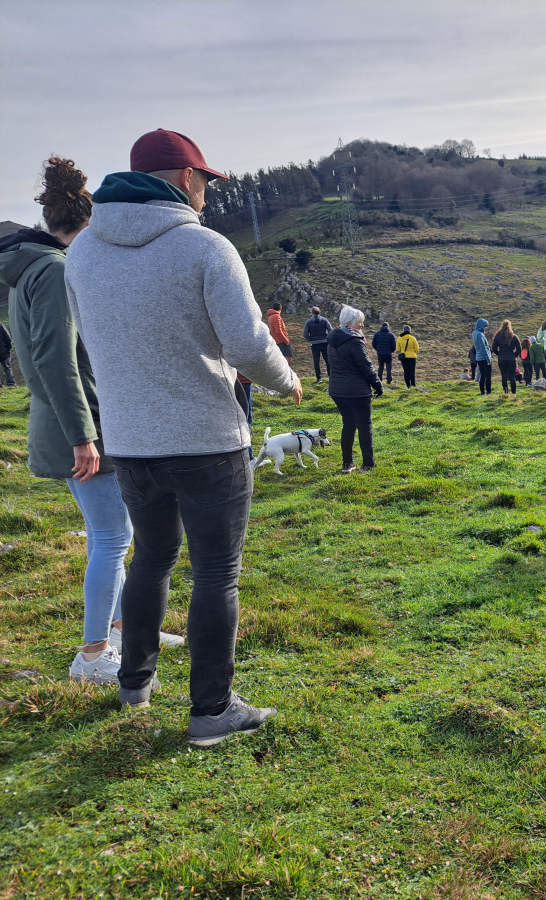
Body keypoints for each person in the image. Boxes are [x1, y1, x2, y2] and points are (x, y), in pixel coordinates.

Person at [65, 129, 301, 747]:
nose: (207, 195)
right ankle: (211, 711)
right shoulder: (205, 248)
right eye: (206, 182)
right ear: (187, 179)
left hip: (130, 442)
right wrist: (287, 384)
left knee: (151, 560)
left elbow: (90, 339)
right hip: (206, 439)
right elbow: (248, 344)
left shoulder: (84, 252)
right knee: (218, 572)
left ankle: (134, 683)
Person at [1, 157, 139, 685]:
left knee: (113, 534)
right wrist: (85, 435)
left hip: (62, 422)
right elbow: (56, 359)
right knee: (110, 538)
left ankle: (125, 628)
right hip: (78, 429)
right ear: (86, 226)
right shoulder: (58, 270)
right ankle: (92, 654)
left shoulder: (28, 269)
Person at [328, 305, 383, 474]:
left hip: (337, 390)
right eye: (360, 322)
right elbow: (366, 366)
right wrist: (378, 385)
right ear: (351, 323)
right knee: (365, 426)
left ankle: (347, 464)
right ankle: (368, 464)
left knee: (348, 425)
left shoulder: (332, 340)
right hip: (357, 392)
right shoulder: (354, 342)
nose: (362, 326)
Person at [492, 319, 521, 395]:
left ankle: (506, 393)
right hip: (511, 358)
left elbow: (493, 348)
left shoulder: (498, 336)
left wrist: (499, 354)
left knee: (504, 376)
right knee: (512, 377)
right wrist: (514, 355)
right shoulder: (514, 336)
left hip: (502, 359)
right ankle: (514, 394)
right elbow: (519, 348)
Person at [303, 305, 332, 382]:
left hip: (314, 344)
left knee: (316, 361)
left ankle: (319, 378)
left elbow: (305, 334)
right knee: (328, 360)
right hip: (325, 343)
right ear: (319, 312)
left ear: (312, 313)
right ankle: (330, 377)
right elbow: (331, 330)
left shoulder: (308, 322)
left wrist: (310, 339)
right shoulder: (324, 320)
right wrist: (327, 338)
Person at [473, 318, 493, 395]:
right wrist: (488, 360)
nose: (486, 327)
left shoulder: (475, 333)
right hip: (484, 358)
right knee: (487, 376)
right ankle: (488, 391)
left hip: (479, 357)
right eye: (485, 326)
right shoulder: (480, 335)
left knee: (482, 375)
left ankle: (482, 392)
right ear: (481, 325)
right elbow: (483, 348)